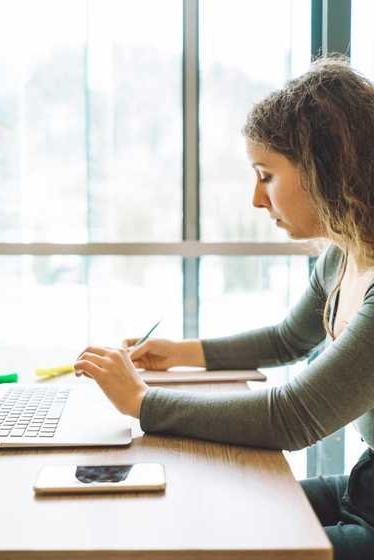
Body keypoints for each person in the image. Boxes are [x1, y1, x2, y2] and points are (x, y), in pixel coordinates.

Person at [74, 56, 374, 560]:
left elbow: (293, 417)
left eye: (266, 175)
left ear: (326, 169)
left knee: (218, 542)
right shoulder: (342, 257)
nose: (257, 199)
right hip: (363, 487)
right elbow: (286, 340)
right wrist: (178, 353)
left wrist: (141, 402)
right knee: (207, 512)